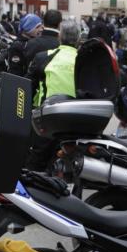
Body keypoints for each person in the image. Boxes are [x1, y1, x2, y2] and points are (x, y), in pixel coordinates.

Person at [25, 20, 79, 170]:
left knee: (36, 161)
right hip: (76, 120)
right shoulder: (83, 60)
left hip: (46, 119)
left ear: (59, 37)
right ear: (79, 39)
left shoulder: (43, 57)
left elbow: (27, 86)